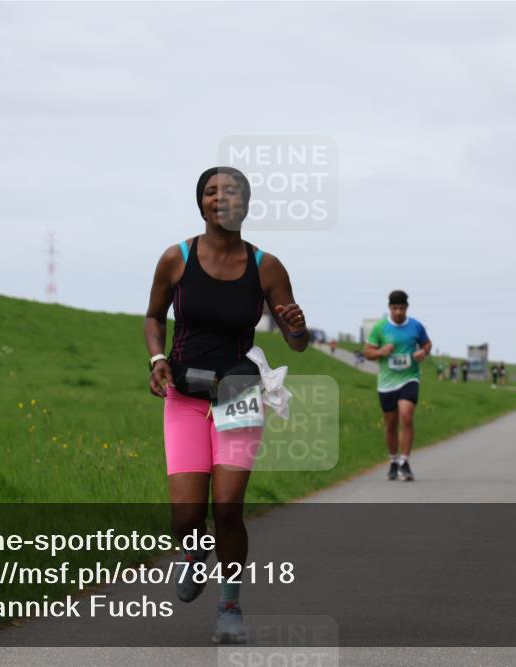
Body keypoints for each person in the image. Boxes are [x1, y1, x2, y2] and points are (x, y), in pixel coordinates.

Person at [144, 166, 309, 644]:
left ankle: (229, 606)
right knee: (186, 518)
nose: (222, 197)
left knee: (229, 507)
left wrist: (298, 327)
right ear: (201, 202)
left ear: (246, 203)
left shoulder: (266, 267)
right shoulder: (176, 259)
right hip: (184, 397)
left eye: (232, 190)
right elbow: (154, 316)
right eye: (212, 191)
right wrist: (157, 358)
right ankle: (195, 554)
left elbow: (296, 341)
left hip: (238, 393)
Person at [364, 290, 432, 481]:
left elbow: (427, 344)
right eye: (395, 308)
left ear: (407, 308)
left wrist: (423, 352)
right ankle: (393, 460)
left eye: (402, 308)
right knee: (391, 423)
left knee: (406, 416)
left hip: (410, 378)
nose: (398, 312)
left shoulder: (416, 326)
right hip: (387, 382)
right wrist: (381, 352)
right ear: (389, 308)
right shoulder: (380, 327)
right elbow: (368, 353)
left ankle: (404, 462)